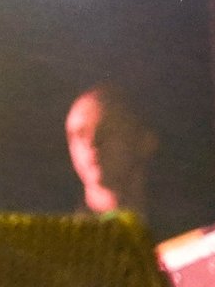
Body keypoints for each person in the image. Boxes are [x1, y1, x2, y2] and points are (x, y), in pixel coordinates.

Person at [66, 85, 158, 218]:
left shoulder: (192, 233)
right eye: (80, 134)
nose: (92, 143)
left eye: (107, 130)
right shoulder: (56, 237)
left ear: (146, 141)